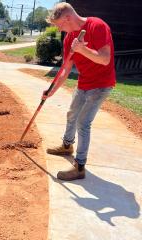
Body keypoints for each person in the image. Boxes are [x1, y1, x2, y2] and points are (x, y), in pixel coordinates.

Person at [43, 3, 116, 181]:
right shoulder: (69, 39)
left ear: (68, 18)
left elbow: (105, 59)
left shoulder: (97, 26)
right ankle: (67, 145)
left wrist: (82, 48)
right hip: (84, 82)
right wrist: (50, 91)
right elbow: (65, 70)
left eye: (59, 24)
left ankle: (79, 167)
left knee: (83, 122)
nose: (59, 28)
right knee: (71, 113)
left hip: (101, 84)